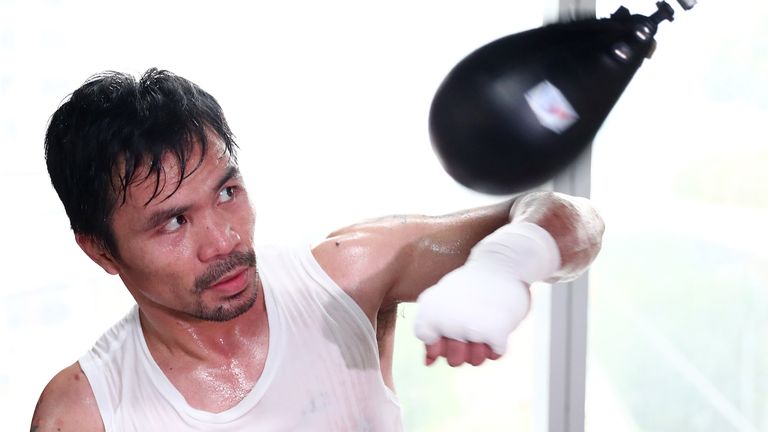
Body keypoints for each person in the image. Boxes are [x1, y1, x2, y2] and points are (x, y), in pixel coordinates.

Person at [31, 68, 604, 431]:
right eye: (174, 222)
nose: (224, 242)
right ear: (100, 252)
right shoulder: (83, 414)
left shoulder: (346, 277)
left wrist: (507, 264)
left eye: (228, 192)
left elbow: (569, 217)